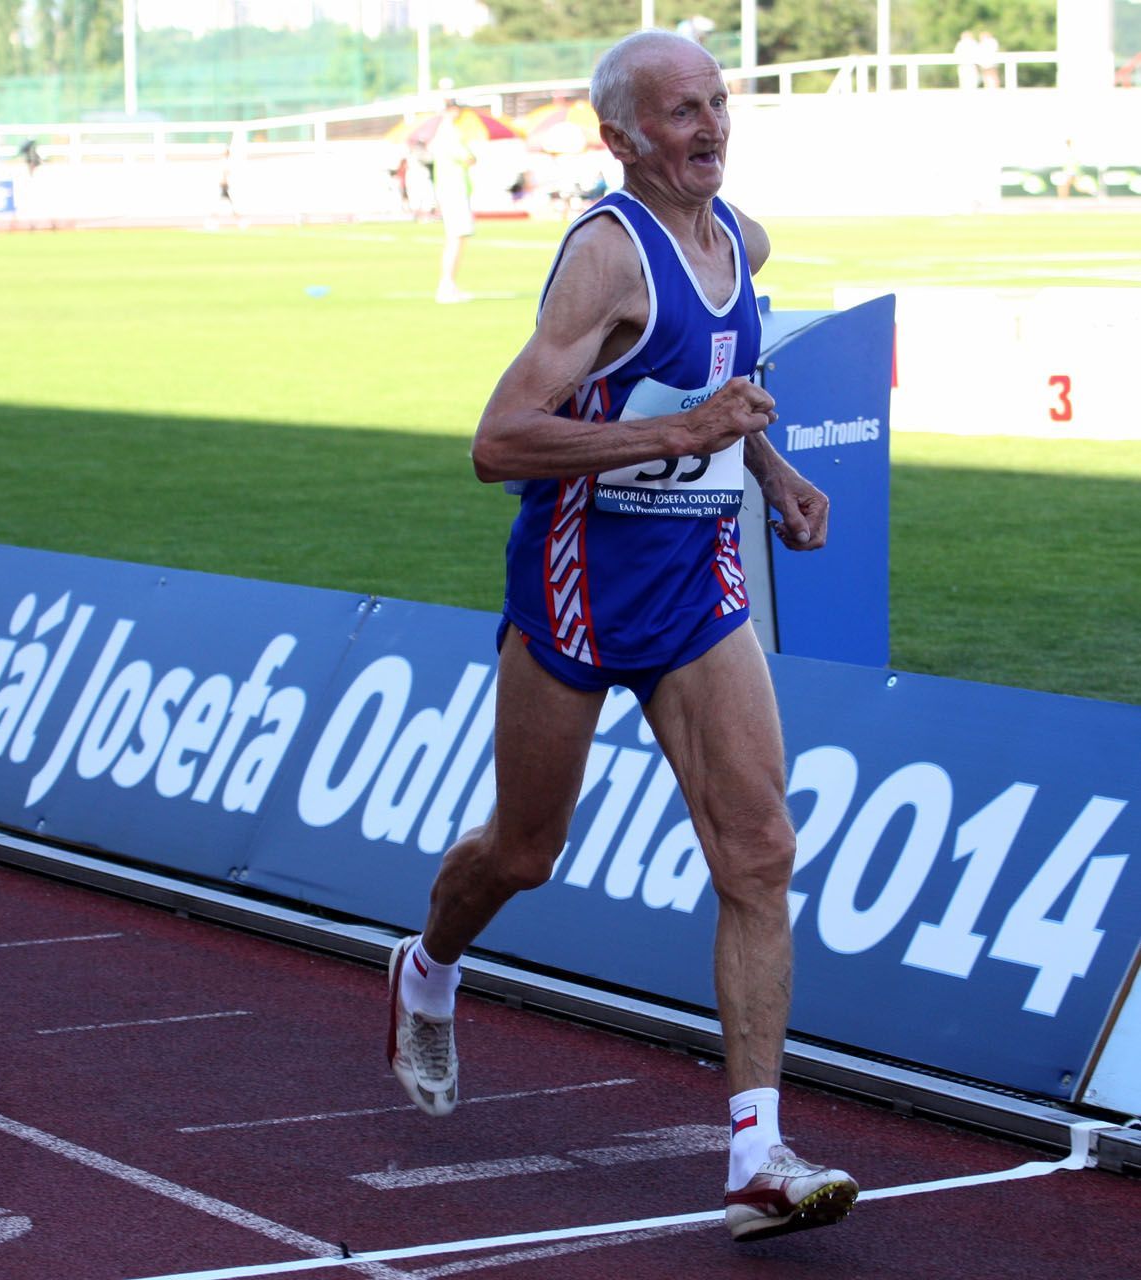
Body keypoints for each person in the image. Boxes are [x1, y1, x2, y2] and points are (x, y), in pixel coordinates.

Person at [385, 29, 858, 1245]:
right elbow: (498, 443)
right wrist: (679, 434)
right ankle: (428, 966)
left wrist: (770, 465)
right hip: (580, 576)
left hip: (697, 576)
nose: (708, 126)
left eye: (715, 101)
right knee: (526, 850)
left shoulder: (742, 242)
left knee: (758, 849)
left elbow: (719, 384)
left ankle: (755, 1149)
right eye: (679, 112)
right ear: (621, 140)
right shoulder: (604, 258)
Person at [429, 101, 476, 303]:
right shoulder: (450, 132)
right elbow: (468, 158)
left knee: (456, 237)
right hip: (454, 189)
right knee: (456, 237)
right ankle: (447, 285)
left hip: (451, 189)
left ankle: (449, 284)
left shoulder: (443, 133)